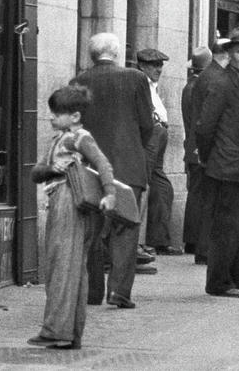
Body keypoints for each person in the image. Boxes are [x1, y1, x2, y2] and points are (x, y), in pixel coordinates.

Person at [28, 86, 115, 350]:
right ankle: (68, 331)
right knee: (67, 265)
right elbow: (36, 172)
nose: (52, 118)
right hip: (62, 200)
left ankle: (58, 330)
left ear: (75, 116)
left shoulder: (79, 138)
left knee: (64, 264)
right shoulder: (60, 138)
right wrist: (49, 168)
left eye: (57, 113)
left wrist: (110, 193)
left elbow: (103, 163)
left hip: (69, 199)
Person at [71, 33, 154, 309]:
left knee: (92, 230)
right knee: (126, 227)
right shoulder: (136, 78)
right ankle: (119, 291)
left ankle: (92, 290)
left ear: (91, 54)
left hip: (91, 166)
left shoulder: (79, 81)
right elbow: (147, 124)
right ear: (117, 53)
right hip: (128, 163)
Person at [195, 26, 239, 298]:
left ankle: (237, 279)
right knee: (227, 228)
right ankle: (219, 283)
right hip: (225, 166)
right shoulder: (223, 82)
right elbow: (204, 127)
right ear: (230, 53)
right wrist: (211, 157)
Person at [189, 38, 229, 265]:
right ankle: (205, 249)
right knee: (210, 202)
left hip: (205, 148)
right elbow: (207, 121)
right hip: (210, 150)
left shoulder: (208, 76)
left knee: (208, 201)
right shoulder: (216, 78)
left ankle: (204, 248)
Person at [137, 48, 180, 256]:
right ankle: (140, 242)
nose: (159, 69)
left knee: (162, 187)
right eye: (154, 65)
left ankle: (158, 239)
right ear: (142, 66)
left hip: (160, 132)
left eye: (160, 65)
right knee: (144, 185)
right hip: (152, 133)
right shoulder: (141, 84)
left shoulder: (152, 86)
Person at [181, 46, 211, 256]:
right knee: (199, 195)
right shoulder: (199, 87)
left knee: (196, 192)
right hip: (198, 148)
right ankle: (194, 239)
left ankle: (191, 239)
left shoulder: (189, 86)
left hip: (192, 146)